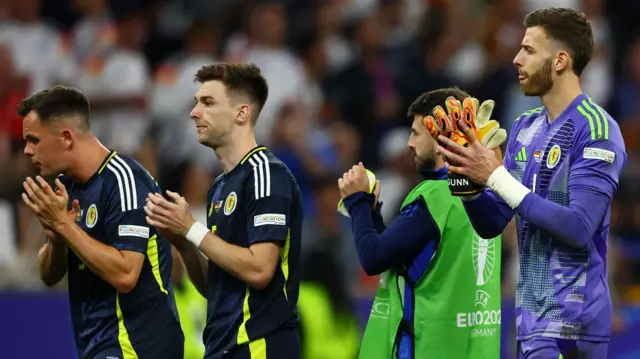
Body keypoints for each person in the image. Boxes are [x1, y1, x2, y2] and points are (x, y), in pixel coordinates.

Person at [435, 8, 627, 359]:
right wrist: (466, 175)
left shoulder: (597, 130)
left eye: (529, 50)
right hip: (529, 320)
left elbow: (579, 226)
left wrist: (494, 175)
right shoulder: (525, 128)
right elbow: (492, 222)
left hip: (574, 325)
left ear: (560, 61)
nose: (516, 59)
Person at [144, 63, 303, 359]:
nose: (194, 112)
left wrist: (192, 227)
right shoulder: (219, 187)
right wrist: (183, 242)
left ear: (241, 113)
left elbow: (259, 270)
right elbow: (213, 287)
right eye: (196, 103)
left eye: (207, 102)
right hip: (223, 348)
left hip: (259, 345)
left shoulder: (266, 174)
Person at [19, 85, 184, 359]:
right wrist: (58, 238)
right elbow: (49, 275)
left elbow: (126, 274)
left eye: (34, 140)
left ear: (66, 138)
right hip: (98, 345)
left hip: (138, 345)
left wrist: (64, 226)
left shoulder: (125, 182)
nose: (26, 150)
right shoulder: (67, 188)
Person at [337, 87, 503, 359]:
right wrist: (374, 213)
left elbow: (373, 258)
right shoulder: (488, 198)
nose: (409, 144)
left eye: (415, 133)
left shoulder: (435, 194)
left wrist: (356, 203)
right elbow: (399, 258)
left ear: (440, 139)